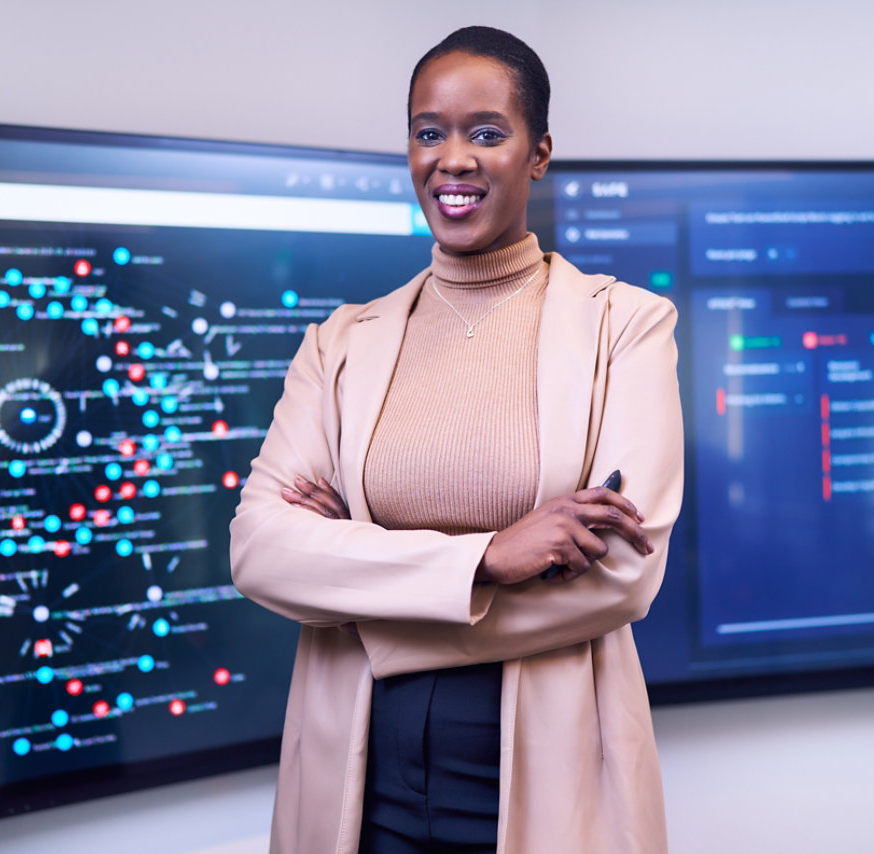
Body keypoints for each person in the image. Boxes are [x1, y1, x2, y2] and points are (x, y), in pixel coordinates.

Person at [230, 25, 683, 854]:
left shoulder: (627, 326)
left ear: (538, 153)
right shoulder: (339, 343)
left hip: (548, 772)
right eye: (429, 132)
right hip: (359, 784)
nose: (453, 159)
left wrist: (360, 578)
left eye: (486, 133)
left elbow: (622, 573)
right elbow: (261, 549)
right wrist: (485, 560)